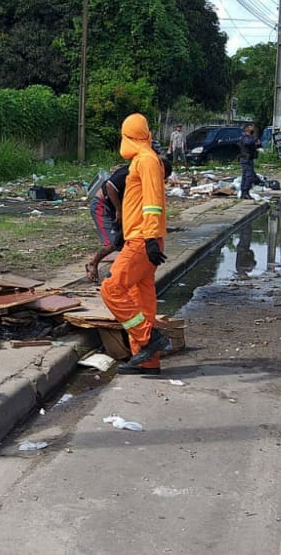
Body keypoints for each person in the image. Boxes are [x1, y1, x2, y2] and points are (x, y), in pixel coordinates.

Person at [100, 113, 172, 375]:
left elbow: (153, 201)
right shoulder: (144, 160)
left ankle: (150, 338)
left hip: (143, 239)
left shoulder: (146, 160)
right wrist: (123, 230)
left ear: (127, 136)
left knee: (111, 289)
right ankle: (147, 361)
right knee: (140, 300)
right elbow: (139, 203)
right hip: (140, 236)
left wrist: (150, 237)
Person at [86, 158, 172, 282]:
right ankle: (93, 263)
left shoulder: (147, 177)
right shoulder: (131, 171)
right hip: (103, 205)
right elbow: (110, 186)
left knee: (125, 240)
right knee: (113, 243)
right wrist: (119, 210)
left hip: (121, 208)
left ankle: (123, 272)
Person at [238, 124, 260, 199]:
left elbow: (258, 145)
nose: (253, 129)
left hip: (249, 159)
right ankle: (245, 192)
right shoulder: (245, 137)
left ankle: (244, 192)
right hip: (245, 159)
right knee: (248, 176)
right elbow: (247, 143)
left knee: (246, 176)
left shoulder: (250, 138)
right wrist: (255, 139)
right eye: (251, 128)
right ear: (247, 129)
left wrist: (257, 143)